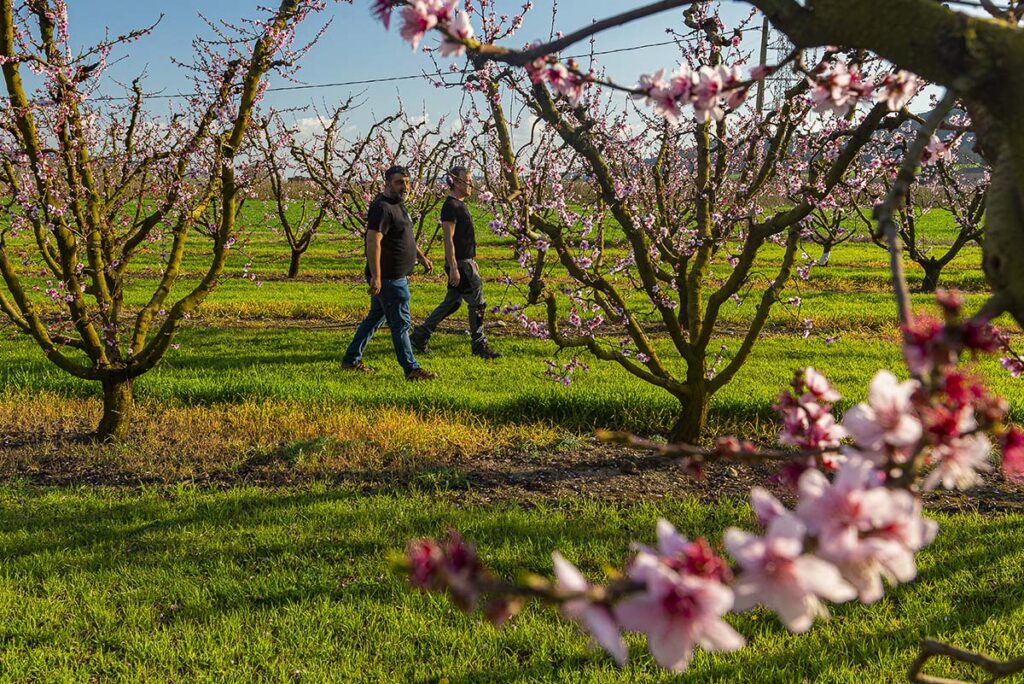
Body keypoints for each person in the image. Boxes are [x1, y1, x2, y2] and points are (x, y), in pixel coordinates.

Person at [341, 165, 436, 381]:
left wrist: (421, 256)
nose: (405, 186)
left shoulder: (399, 206)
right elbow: (373, 241)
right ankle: (411, 369)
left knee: (375, 318)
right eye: (399, 182)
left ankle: (350, 359)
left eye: (407, 182)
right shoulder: (381, 207)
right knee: (401, 323)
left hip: (395, 276)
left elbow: (406, 236)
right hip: (389, 278)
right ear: (387, 183)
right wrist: (376, 276)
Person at [410, 165, 501, 359]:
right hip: (460, 264)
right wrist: (454, 267)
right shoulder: (450, 206)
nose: (471, 185)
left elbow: (463, 238)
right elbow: (448, 239)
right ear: (456, 182)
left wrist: (472, 260)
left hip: (465, 262)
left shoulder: (460, 204)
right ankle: (479, 345)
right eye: (468, 181)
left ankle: (420, 335)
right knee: (478, 304)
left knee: (452, 303)